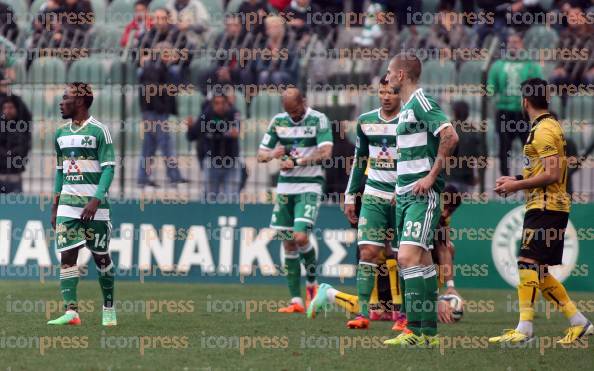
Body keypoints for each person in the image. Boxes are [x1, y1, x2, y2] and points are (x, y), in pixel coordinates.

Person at [489, 78, 593, 345]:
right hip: (545, 205)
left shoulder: (544, 130)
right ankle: (579, 322)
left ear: (525, 101)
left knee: (526, 263)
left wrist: (517, 185)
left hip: (547, 207)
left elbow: (553, 173)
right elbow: (543, 170)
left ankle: (525, 328)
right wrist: (514, 178)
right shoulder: (545, 127)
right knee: (539, 272)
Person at [383, 52, 459, 348]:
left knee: (406, 258)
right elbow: (409, 154)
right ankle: (428, 334)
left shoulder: (421, 101)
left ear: (401, 75)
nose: (387, 77)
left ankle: (413, 330)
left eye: (390, 72)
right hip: (404, 196)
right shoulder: (405, 110)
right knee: (423, 261)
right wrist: (397, 189)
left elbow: (450, 136)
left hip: (421, 196)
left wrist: (431, 176)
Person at [257, 87, 333, 313]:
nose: (294, 116)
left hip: (309, 185)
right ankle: (296, 301)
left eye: (297, 110)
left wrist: (297, 163)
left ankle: (311, 283)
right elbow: (261, 154)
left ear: (304, 102)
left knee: (300, 236)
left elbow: (325, 153)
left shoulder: (318, 119)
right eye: (290, 112)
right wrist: (273, 154)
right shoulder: (279, 121)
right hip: (285, 188)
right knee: (288, 241)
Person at [47, 83, 117, 327]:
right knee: (67, 254)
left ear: (79, 102)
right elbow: (60, 171)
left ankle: (108, 306)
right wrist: (55, 206)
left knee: (101, 258)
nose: (61, 102)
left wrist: (96, 200)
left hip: (95, 207)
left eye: (65, 98)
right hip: (68, 204)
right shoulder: (60, 134)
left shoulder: (100, 131)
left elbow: (109, 168)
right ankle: (71, 311)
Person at [339, 76, 402, 330]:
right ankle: (363, 313)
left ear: (401, 95)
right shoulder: (366, 121)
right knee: (368, 252)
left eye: (391, 92)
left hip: (402, 196)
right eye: (382, 92)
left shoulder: (409, 122)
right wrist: (350, 196)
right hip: (374, 194)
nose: (386, 97)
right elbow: (359, 160)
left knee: (402, 256)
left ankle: (403, 315)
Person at [487, 33, 542, 176]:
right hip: (504, 110)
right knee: (504, 146)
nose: (513, 44)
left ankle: (530, 175)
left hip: (524, 111)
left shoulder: (530, 65)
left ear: (522, 44)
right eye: (510, 42)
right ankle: (504, 177)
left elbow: (539, 85)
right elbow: (491, 85)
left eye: (516, 42)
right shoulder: (498, 65)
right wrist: (490, 92)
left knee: (528, 145)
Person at [137, 41, 187, 187]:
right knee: (166, 145)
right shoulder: (154, 67)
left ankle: (143, 178)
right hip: (155, 113)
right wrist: (162, 109)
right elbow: (152, 92)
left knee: (149, 147)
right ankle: (174, 177)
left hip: (152, 112)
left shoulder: (159, 67)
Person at [186, 93, 242, 199]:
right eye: (216, 103)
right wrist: (190, 127)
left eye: (223, 103)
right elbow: (192, 136)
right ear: (212, 104)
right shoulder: (206, 115)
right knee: (210, 199)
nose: (220, 106)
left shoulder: (234, 113)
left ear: (227, 104)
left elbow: (235, 132)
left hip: (231, 162)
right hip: (212, 162)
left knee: (231, 198)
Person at [446, 100, 486, 195]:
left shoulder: (447, 129)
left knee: (446, 207)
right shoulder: (473, 131)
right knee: (463, 206)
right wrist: (479, 176)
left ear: (454, 112)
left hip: (446, 177)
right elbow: (482, 157)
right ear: (467, 114)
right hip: (466, 178)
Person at [0, 96, 32, 193]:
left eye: (10, 108)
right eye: (5, 108)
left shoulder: (22, 125)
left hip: (16, 175)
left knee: (16, 204)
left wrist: (11, 95)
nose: (7, 111)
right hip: (1, 174)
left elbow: (24, 146)